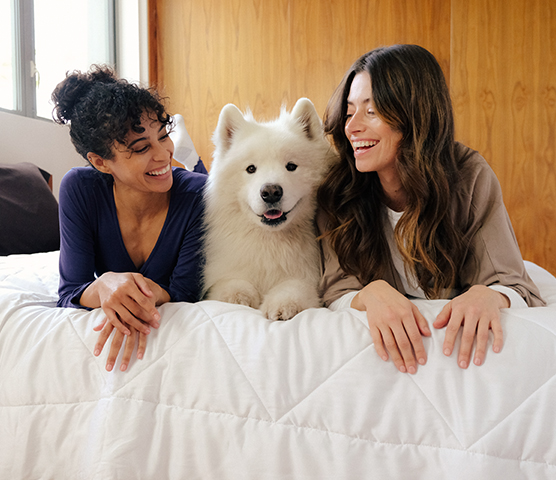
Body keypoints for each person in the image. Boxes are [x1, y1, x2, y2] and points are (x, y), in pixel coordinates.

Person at [317, 44, 545, 374]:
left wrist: (489, 294)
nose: (351, 128)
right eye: (350, 111)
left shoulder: (470, 176)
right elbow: (334, 288)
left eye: (372, 111)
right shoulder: (338, 188)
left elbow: (514, 284)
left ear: (414, 115)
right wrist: (371, 294)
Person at [52, 65, 207, 372]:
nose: (163, 154)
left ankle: (193, 161)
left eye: (164, 136)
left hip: (195, 188)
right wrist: (106, 285)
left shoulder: (198, 195)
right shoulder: (79, 188)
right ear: (100, 162)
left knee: (217, 188)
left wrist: (130, 296)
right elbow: (71, 292)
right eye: (141, 148)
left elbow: (185, 293)